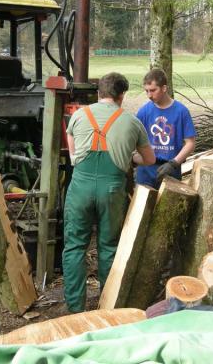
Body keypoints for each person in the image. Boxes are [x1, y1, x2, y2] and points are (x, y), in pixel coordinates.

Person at [63, 72, 155, 313]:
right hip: (112, 190)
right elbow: (149, 159)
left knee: (74, 246)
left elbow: (72, 149)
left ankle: (75, 308)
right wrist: (129, 156)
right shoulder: (132, 122)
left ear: (99, 93)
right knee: (109, 246)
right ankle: (108, 306)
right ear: (121, 96)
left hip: (80, 187)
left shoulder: (79, 115)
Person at [135, 68, 196, 189]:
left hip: (171, 169)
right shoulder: (143, 112)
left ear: (164, 88)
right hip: (146, 171)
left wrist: (174, 163)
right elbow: (134, 141)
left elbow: (191, 143)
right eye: (146, 91)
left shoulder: (181, 111)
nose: (149, 95)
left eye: (153, 90)